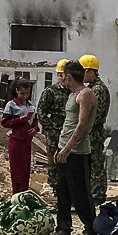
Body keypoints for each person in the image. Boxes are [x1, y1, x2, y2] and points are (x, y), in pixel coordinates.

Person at [53, 60, 99, 235]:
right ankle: (63, 227)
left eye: (63, 75)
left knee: (80, 192)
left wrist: (68, 148)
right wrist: (61, 147)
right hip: (64, 147)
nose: (62, 79)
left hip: (77, 151)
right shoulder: (72, 94)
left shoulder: (86, 94)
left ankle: (90, 228)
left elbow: (82, 124)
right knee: (62, 190)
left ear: (69, 76)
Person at [79, 54, 111, 208]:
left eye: (83, 72)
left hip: (94, 134)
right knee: (89, 165)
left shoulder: (98, 89)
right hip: (90, 133)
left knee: (96, 165)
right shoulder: (91, 88)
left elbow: (95, 115)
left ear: (91, 72)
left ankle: (98, 195)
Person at [35, 59, 71, 195]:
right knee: (54, 161)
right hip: (55, 133)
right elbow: (41, 111)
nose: (61, 78)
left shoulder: (74, 92)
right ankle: (56, 188)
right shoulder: (50, 91)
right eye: (59, 75)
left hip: (70, 132)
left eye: (63, 75)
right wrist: (50, 128)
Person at [1, 79, 39, 195]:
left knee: (25, 170)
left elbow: (35, 121)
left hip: (27, 142)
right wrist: (19, 120)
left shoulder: (30, 105)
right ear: (16, 91)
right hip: (16, 142)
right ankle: (16, 194)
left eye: (27, 93)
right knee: (16, 170)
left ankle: (24, 193)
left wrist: (35, 129)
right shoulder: (11, 105)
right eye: (22, 93)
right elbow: (5, 123)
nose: (25, 96)